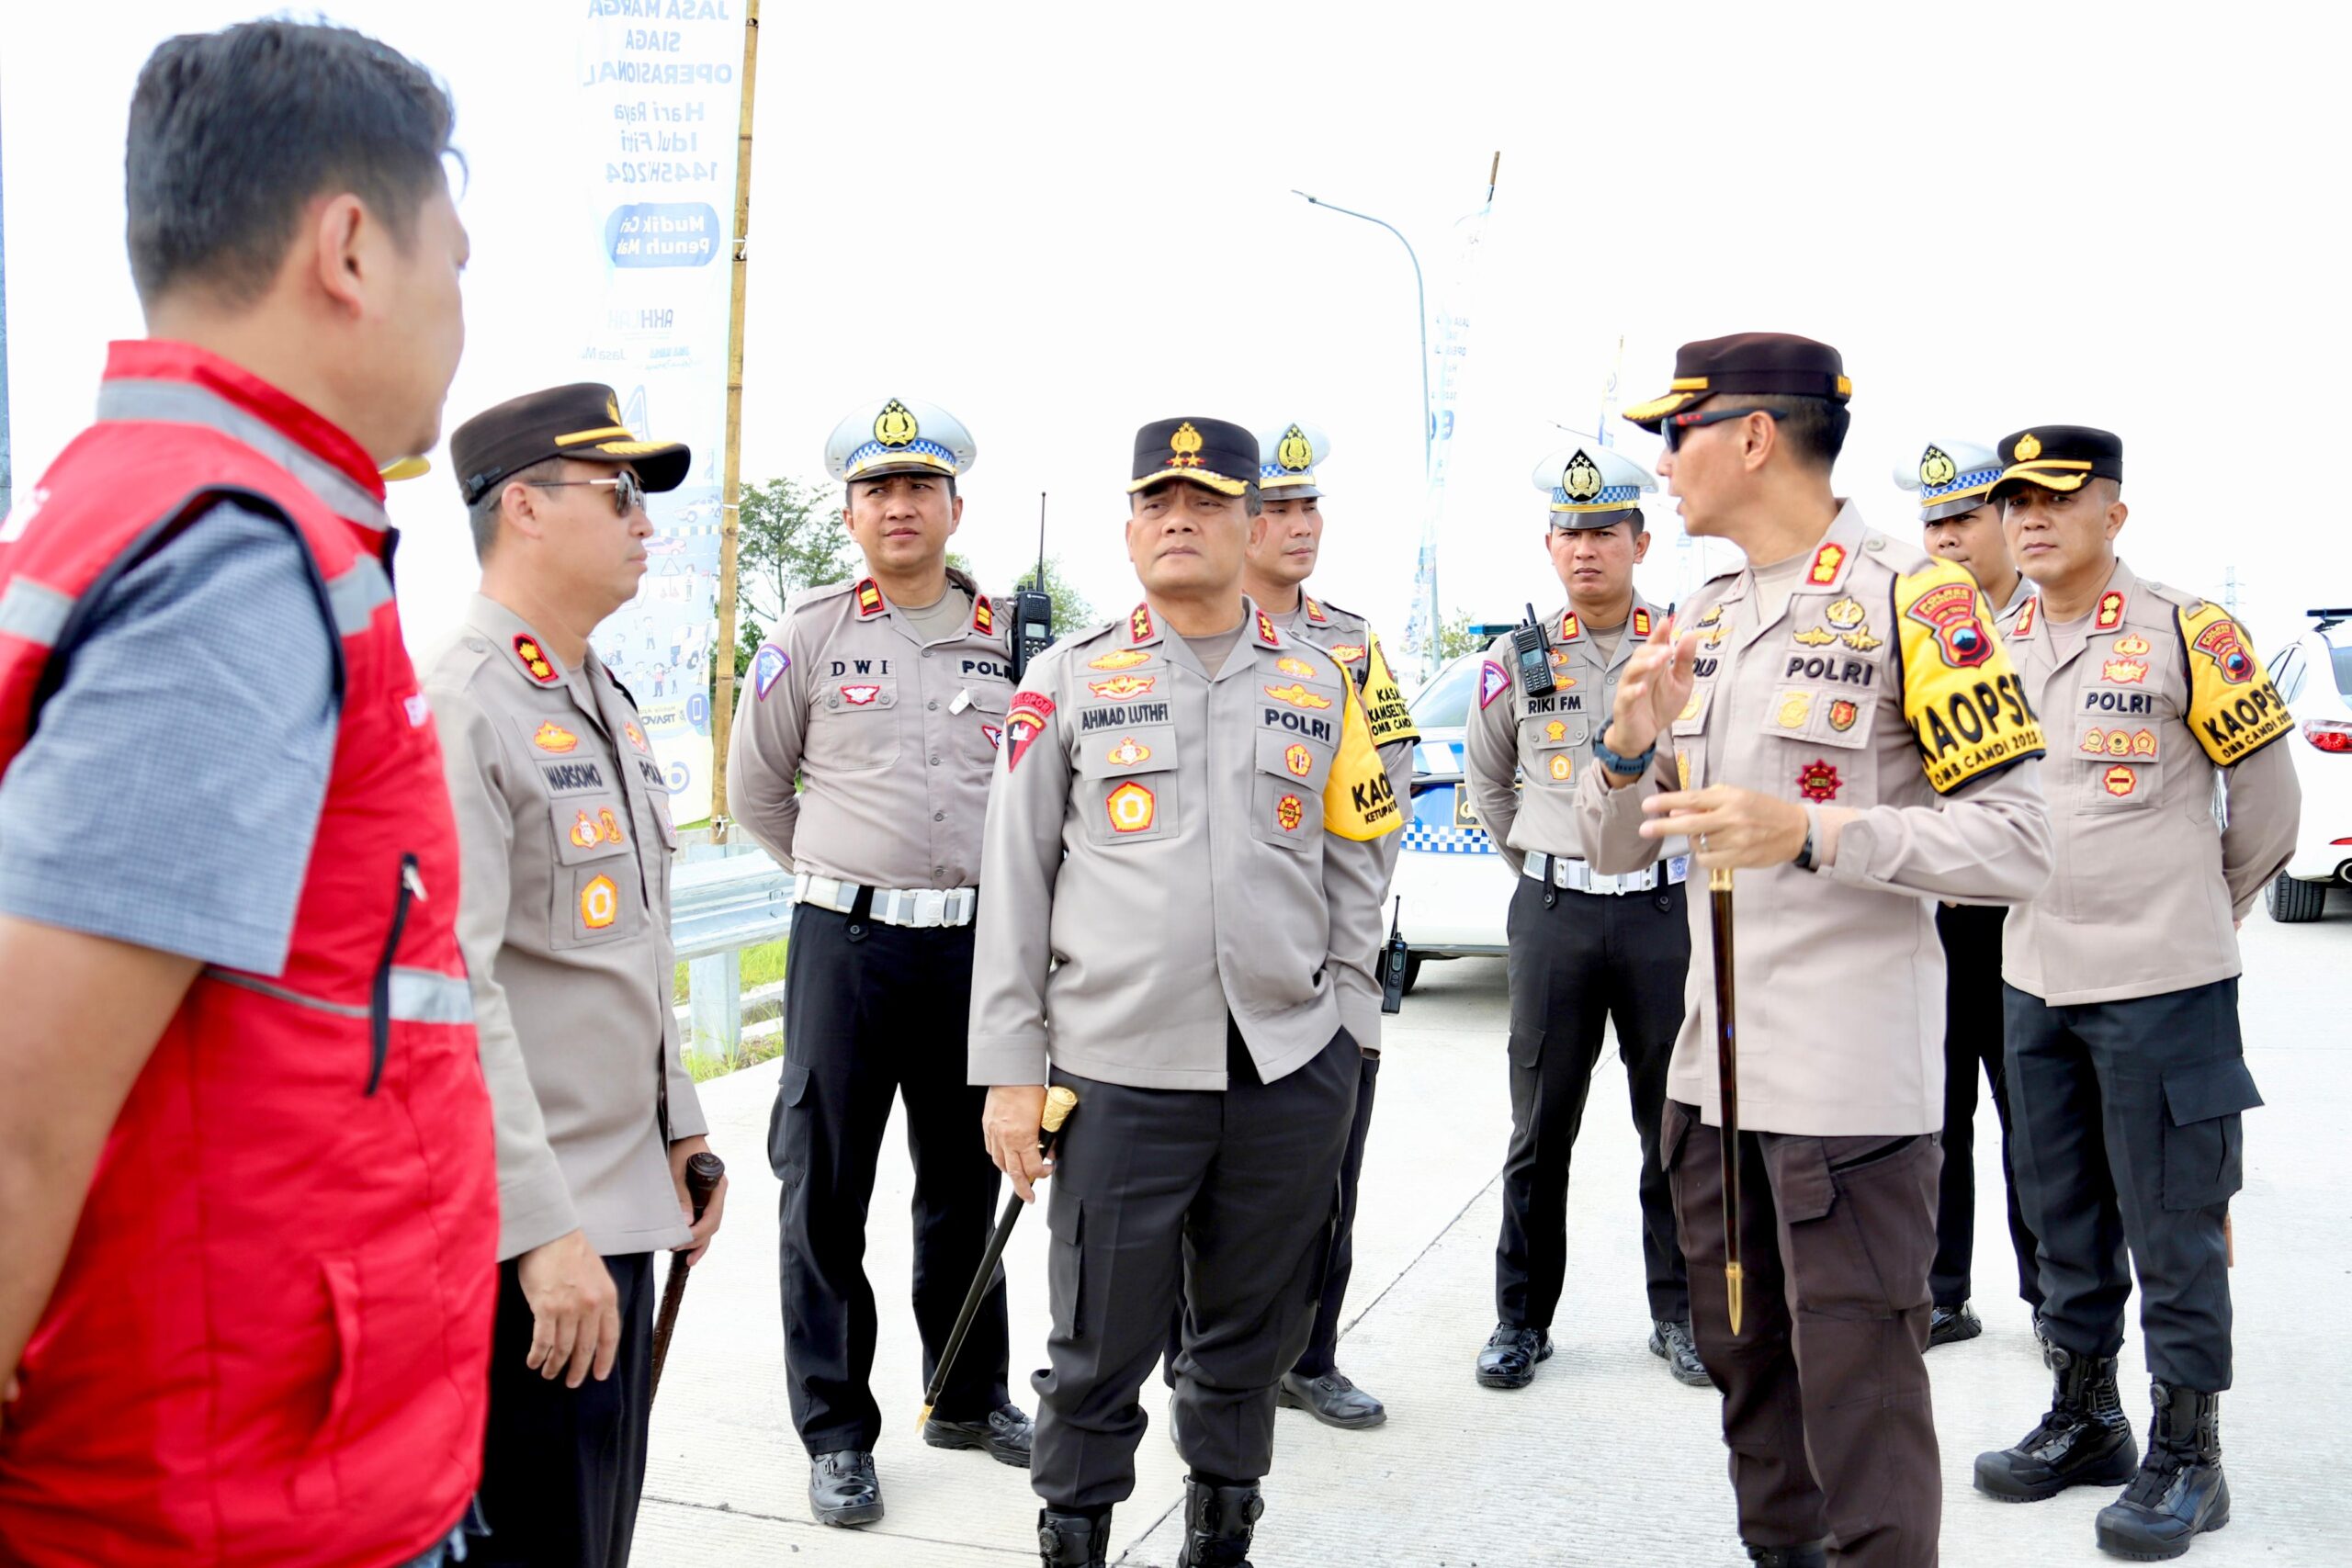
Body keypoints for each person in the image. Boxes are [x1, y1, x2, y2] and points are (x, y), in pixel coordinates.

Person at [0, 22, 495, 1567]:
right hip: (213, 1502)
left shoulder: (169, 508)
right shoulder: (233, 560)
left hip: (264, 1454)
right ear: (350, 247)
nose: (460, 315)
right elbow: (20, 1111)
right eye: (455, 263)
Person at [1578, 333, 2054, 1568]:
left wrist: (1813, 830)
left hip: (1845, 1100)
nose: (1663, 465)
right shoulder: (1712, 612)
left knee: (1864, 1415)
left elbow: (2018, 842)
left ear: (1751, 436)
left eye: (1674, 434)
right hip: (1712, 1086)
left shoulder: (1917, 596)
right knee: (1752, 1396)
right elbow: (1620, 845)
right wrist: (1630, 743)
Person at [972, 417, 1398, 1568]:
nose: (1178, 518)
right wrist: (1013, 1071)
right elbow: (1012, 880)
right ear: (1126, 529)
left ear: (1249, 523)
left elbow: (1361, 854)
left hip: (1283, 1069)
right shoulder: (1063, 680)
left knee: (1249, 1339)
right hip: (1117, 1074)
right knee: (1097, 1345)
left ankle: (1221, 1535)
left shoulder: (1323, 680)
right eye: (1157, 500)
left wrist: (1348, 1022)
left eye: (1206, 501)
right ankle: (1076, 1539)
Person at [1971, 426, 2299, 1561]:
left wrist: (2191, 912)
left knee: (2174, 1228)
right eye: (2014, 500)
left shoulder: (2186, 631)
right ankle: (2086, 1417)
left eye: (2058, 497)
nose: (2030, 517)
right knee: (2058, 1214)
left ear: (2114, 513)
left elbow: (2265, 809)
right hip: (2033, 973)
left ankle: (2188, 1457)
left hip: (2164, 981)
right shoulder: (1986, 640)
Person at [427, 384, 728, 1567]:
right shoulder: (464, 702)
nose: (645, 520)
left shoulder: (594, 692)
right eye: (618, 494)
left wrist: (680, 1133)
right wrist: (539, 1235)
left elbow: (624, 954)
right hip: (532, 1242)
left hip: (615, 1209)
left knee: (594, 1536)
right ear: (526, 511)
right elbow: (454, 987)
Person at [728, 396, 1029, 1528]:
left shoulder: (1020, 637)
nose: (898, 507)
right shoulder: (806, 635)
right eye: (876, 490)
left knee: (965, 1183)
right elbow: (757, 792)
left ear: (955, 504)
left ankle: (965, 1396)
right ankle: (836, 1432)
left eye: (918, 488)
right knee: (825, 1195)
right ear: (850, 511)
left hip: (976, 947)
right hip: (843, 949)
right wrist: (844, 875)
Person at [1153, 418, 1419, 1433]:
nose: (1299, 525)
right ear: (1234, 521)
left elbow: (1382, 796)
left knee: (1325, 1176)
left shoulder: (1349, 643)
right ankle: (1197, 1363)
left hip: (1323, 960)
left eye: (1310, 506)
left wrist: (1341, 948)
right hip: (1201, 965)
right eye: (1278, 507)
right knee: (1192, 1186)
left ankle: (1310, 1356)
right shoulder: (1173, 633)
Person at [1462, 435, 1703, 1392]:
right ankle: (1521, 1321)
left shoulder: (1685, 648)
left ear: (1641, 540)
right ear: (1549, 547)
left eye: (1604, 530)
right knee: (1538, 1131)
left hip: (1660, 916)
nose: (1585, 549)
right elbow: (1487, 784)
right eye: (1569, 533)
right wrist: (1548, 867)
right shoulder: (1515, 658)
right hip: (1556, 911)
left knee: (1674, 1125)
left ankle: (1678, 1315)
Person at [1894, 437, 2044, 1349]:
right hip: (1934, 916)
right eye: (1933, 521)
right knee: (1933, 1116)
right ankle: (1941, 1291)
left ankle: (2053, 1300)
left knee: (2038, 1123)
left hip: (2029, 921)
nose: (1946, 538)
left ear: (2003, 519)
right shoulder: (1911, 629)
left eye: (1963, 518)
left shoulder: (2047, 623)